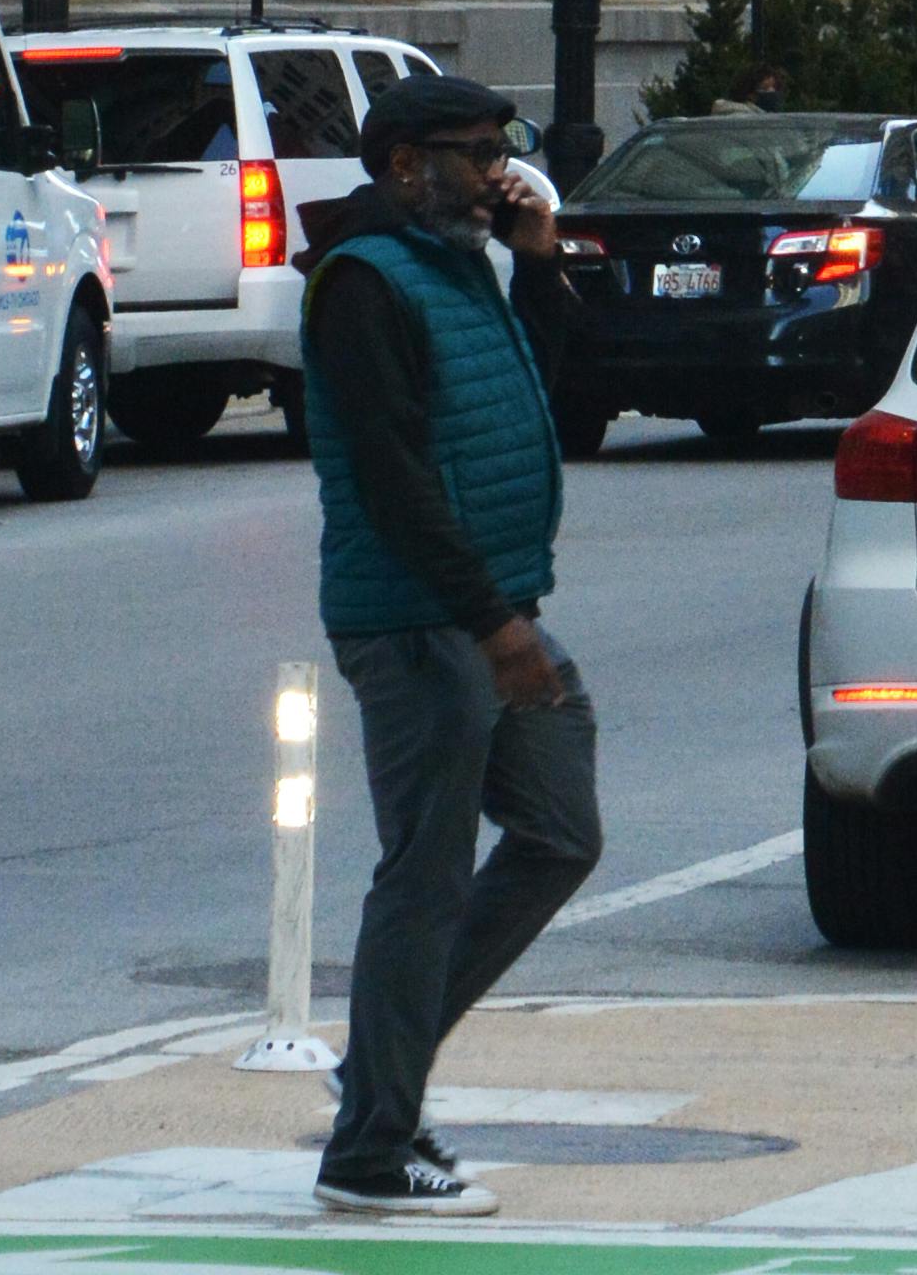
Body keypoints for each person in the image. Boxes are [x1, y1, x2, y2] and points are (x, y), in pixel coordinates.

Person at [300, 77, 600, 1216]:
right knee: (421, 883)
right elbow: (392, 474)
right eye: (471, 154)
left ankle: (383, 1066)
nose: (493, 171)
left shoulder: (458, 261)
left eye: (498, 149)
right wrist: (493, 625)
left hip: (484, 608)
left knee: (560, 832)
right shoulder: (365, 282)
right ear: (400, 165)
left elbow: (541, 388)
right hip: (422, 622)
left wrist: (539, 259)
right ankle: (371, 1150)